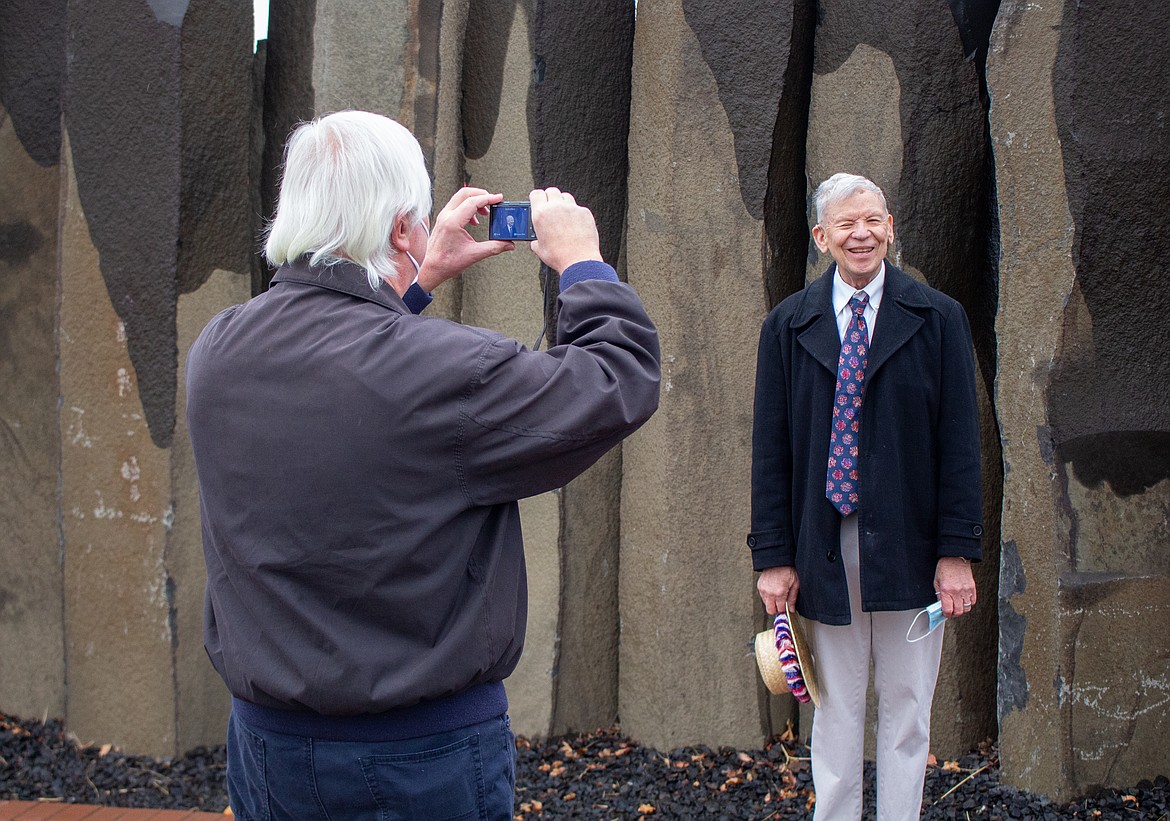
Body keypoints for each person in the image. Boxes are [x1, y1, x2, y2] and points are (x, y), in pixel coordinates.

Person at [185, 110, 660, 820]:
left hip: (267, 747)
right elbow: (619, 377)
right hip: (417, 760)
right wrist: (581, 263)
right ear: (402, 226)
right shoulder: (448, 372)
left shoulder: (219, 350)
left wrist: (413, 281)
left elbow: (352, 382)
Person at [748, 172, 982, 820]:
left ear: (890, 227)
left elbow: (961, 445)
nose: (862, 233)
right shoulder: (788, 327)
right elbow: (771, 452)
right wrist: (773, 557)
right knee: (837, 708)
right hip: (823, 546)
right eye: (847, 224)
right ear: (822, 236)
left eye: (873, 220)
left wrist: (957, 552)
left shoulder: (937, 319)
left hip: (912, 545)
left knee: (908, 709)